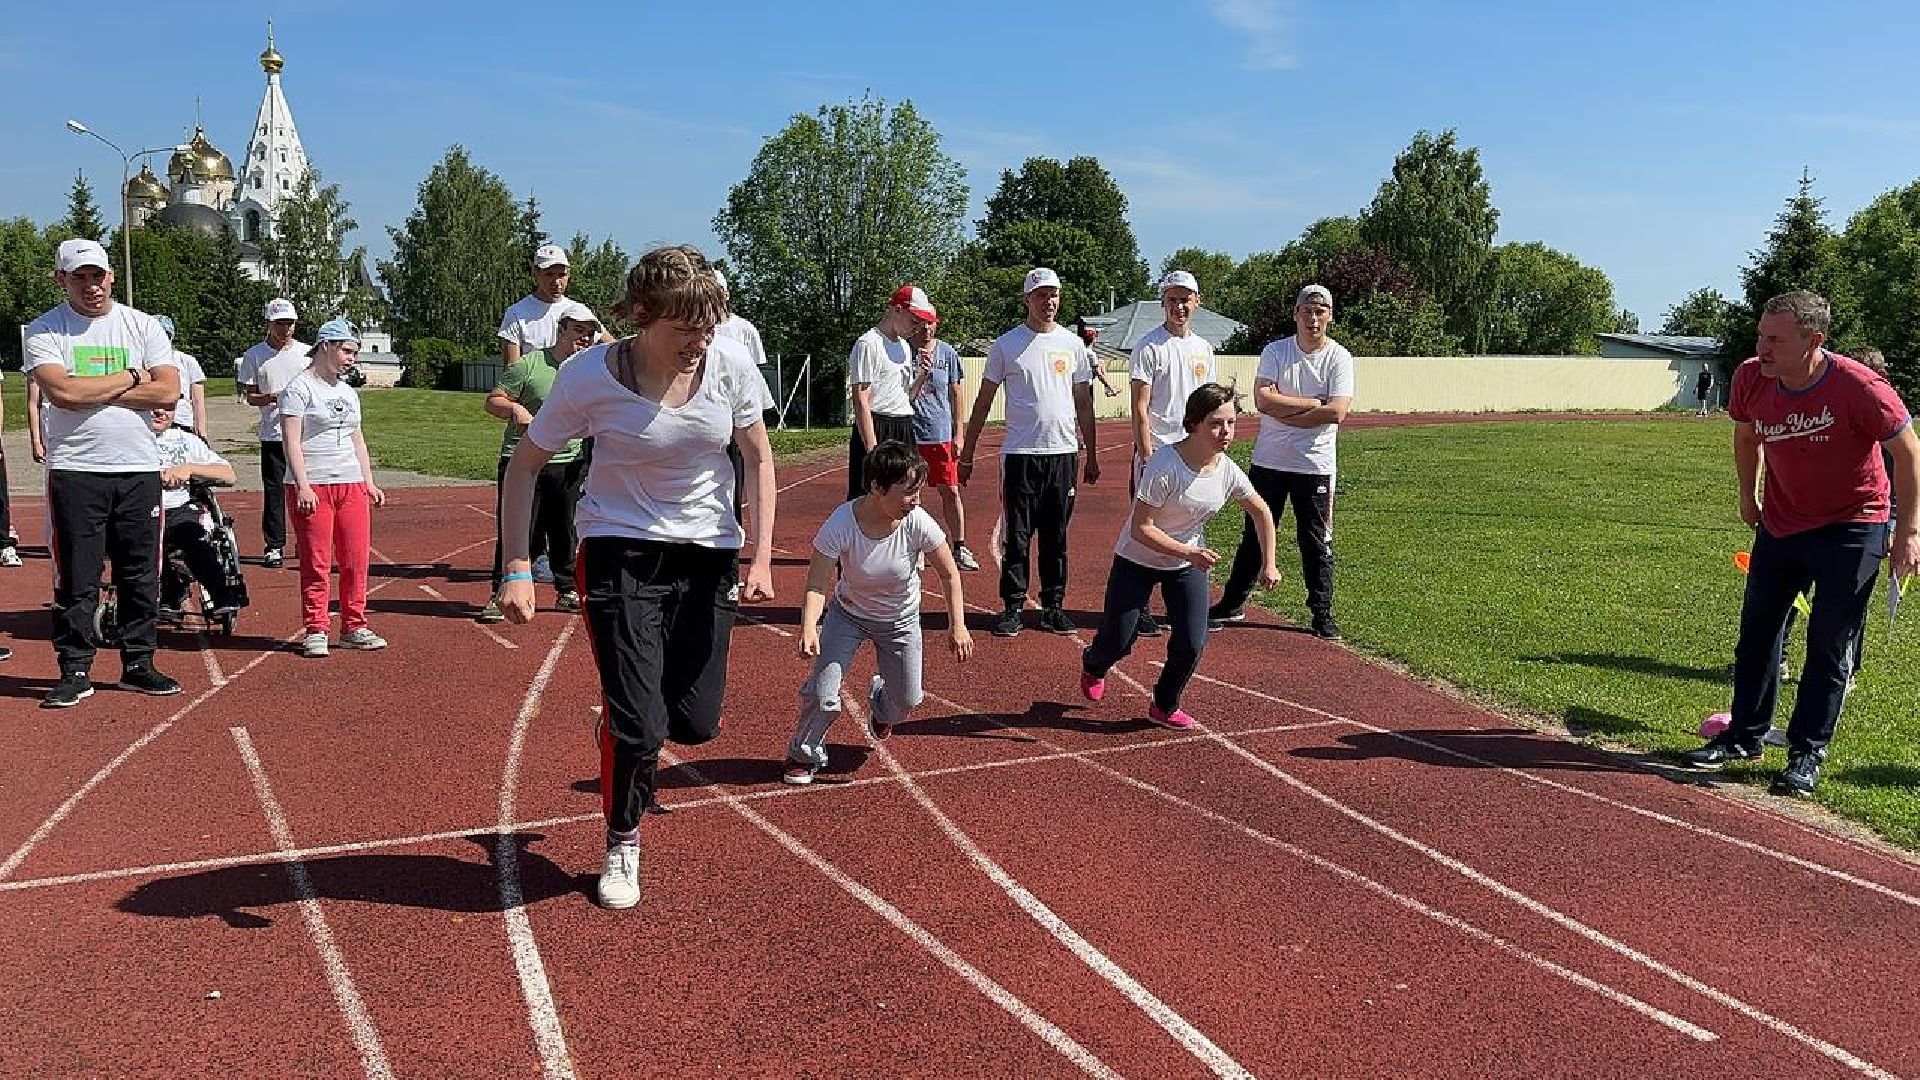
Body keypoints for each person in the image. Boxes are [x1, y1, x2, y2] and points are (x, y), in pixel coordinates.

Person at [497, 244, 777, 911]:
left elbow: (759, 458)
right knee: (640, 724)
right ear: (644, 317)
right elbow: (525, 466)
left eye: (708, 329)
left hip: (708, 555)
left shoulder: (730, 366)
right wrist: (516, 567)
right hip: (621, 549)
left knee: (696, 723)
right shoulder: (589, 377)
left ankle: (624, 728)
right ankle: (622, 839)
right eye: (685, 330)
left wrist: (762, 555)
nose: (698, 343)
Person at [1681, 292, 1918, 797]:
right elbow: (1746, 438)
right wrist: (1748, 495)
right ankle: (1742, 736)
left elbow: (1909, 450)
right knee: (1759, 633)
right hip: (1784, 523)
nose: (1761, 348)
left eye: (1775, 339)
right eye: (1761, 335)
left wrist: (1909, 532)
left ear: (1814, 341)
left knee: (1828, 645)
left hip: (1854, 526)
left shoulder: (1858, 386)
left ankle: (1806, 753)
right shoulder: (1750, 378)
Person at [25, 238, 186, 707]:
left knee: (141, 572)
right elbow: (62, 395)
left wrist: (92, 389)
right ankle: (75, 668)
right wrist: (134, 378)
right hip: (77, 470)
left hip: (137, 467)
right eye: (80, 277)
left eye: (98, 275)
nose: (92, 286)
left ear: (111, 276)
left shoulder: (142, 325)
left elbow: (168, 392)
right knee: (79, 575)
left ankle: (139, 662)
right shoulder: (46, 331)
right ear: (62, 280)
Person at [1081, 384, 1279, 729]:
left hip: (1186, 564)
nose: (1226, 432)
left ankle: (1164, 705)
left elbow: (1261, 511)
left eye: (1231, 423)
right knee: (1119, 638)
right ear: (1194, 423)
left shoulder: (1227, 470)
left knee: (1192, 641)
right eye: (1217, 423)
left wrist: (1270, 562)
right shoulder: (1164, 464)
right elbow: (1141, 527)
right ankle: (1095, 664)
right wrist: (1187, 550)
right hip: (1138, 559)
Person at [783, 441, 974, 784]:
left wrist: (957, 625)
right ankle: (803, 753)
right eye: (907, 492)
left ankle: (880, 702)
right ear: (876, 487)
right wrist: (809, 627)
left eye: (918, 491)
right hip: (848, 615)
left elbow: (948, 573)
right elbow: (816, 585)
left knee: (908, 700)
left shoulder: (918, 522)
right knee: (824, 694)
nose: (915, 500)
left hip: (900, 620)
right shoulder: (841, 523)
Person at [960, 268, 1101, 637]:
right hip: (1020, 455)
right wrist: (968, 452)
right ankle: (1012, 606)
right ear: (1027, 300)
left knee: (1056, 536)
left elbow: (1083, 403)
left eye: (1053, 295)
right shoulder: (1006, 345)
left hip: (1063, 454)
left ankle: (1054, 606)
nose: (1048, 302)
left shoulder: (1072, 346)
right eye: (1040, 295)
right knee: (1017, 535)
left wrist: (1093, 454)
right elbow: (984, 400)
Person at [1209, 283, 1354, 641]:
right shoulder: (1276, 351)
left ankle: (1321, 613)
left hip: (1314, 465)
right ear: (1296, 314)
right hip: (1270, 461)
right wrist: (1311, 404)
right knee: (1254, 534)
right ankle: (1233, 603)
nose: (1313, 318)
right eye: (1307, 311)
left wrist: (1286, 408)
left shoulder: (1339, 358)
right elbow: (1262, 399)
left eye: (1321, 312)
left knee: (1316, 540)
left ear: (1330, 317)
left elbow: (1336, 411)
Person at [477, 300, 599, 622]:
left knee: (564, 530)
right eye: (579, 331)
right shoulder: (531, 365)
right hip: (523, 460)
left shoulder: (589, 371)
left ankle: (566, 589)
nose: (585, 338)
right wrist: (516, 410)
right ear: (561, 330)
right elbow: (494, 401)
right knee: (517, 530)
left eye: (590, 334)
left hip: (569, 462)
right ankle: (498, 592)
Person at [280, 319, 387, 659]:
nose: (351, 358)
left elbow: (357, 437)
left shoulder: (347, 392)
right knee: (316, 561)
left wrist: (368, 481)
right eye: (346, 350)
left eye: (354, 352)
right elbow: (291, 442)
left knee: (356, 559)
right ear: (325, 346)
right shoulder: (299, 389)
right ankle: (316, 627)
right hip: (315, 485)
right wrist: (303, 485)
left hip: (350, 484)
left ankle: (354, 624)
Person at [1126, 269, 1219, 637]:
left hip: (1193, 453)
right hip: (1160, 451)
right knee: (1148, 527)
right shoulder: (1149, 347)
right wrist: (1147, 453)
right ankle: (1141, 606)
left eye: (1186, 299)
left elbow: (1211, 402)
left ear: (1197, 301)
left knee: (1188, 524)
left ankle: (1180, 603)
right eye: (1173, 299)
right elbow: (1139, 406)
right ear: (1163, 302)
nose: (1179, 305)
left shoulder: (1204, 349)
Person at [236, 297, 311, 567]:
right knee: (275, 491)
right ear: (269, 323)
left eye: (290, 323)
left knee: (306, 488)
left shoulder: (306, 353)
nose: (286, 329)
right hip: (273, 435)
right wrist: (271, 398)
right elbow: (250, 395)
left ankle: (307, 540)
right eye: (280, 324)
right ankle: (274, 545)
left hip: (304, 434)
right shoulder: (255, 355)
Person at [149, 408, 242, 618]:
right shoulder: (131, 438)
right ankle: (170, 592)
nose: (160, 412)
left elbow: (229, 476)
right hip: (141, 509)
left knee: (194, 540)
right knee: (146, 544)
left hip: (180, 508)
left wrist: (188, 469)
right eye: (154, 406)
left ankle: (220, 592)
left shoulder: (186, 440)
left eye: (168, 407)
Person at [906, 311, 978, 571]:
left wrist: (959, 433)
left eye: (931, 324)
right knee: (910, 492)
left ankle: (959, 546)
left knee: (951, 490)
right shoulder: (903, 350)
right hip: (910, 434)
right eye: (922, 323)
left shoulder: (947, 353)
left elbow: (956, 394)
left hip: (939, 434)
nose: (927, 329)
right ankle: (914, 548)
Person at [848, 285, 934, 500]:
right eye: (914, 321)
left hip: (904, 424)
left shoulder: (905, 347)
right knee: (870, 497)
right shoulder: (868, 344)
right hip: (878, 425)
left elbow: (906, 397)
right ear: (897, 309)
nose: (917, 329)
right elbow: (861, 399)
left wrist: (922, 376)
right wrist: (872, 451)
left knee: (908, 494)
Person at [711, 269, 778, 525]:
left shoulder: (744, 329)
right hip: (710, 415)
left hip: (737, 417)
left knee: (737, 478)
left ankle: (733, 530)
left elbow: (756, 375)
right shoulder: (693, 329)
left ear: (726, 294)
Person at [157, 315, 208, 434]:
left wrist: (201, 431)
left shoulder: (187, 361)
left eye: (166, 335)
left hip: (181, 422)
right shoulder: (142, 362)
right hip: (152, 423)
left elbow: (198, 401)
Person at [1075, 317, 1122, 398]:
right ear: (1093, 339)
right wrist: (1109, 385)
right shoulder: (1090, 354)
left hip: (1077, 384)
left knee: (1101, 362)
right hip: (1086, 385)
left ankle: (1108, 389)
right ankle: (1109, 389)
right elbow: (1098, 373)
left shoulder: (1079, 351)